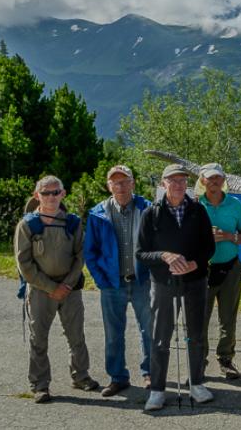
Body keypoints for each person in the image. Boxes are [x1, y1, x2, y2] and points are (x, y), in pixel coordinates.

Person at [137, 163, 216, 411]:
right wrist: (164, 256)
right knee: (160, 337)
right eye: (173, 181)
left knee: (196, 335)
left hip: (195, 281)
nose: (179, 185)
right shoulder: (152, 214)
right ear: (163, 184)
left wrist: (194, 263)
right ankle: (158, 389)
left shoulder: (198, 211)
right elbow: (140, 253)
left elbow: (209, 247)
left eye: (182, 181)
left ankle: (196, 383)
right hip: (164, 283)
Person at [14, 175, 99, 403]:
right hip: (41, 289)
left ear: (63, 194)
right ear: (36, 195)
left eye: (55, 192)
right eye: (45, 193)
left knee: (76, 335)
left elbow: (80, 256)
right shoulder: (27, 225)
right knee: (38, 339)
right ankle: (40, 385)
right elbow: (24, 264)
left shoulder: (72, 222)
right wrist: (51, 287)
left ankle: (81, 376)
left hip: (70, 288)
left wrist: (67, 284)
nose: (51, 197)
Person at [83, 164, 153, 397]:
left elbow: (158, 243)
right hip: (112, 284)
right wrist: (101, 280)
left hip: (142, 281)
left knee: (149, 331)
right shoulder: (97, 213)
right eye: (115, 182)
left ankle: (151, 373)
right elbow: (90, 252)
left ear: (133, 183)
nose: (120, 186)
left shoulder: (148, 209)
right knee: (113, 334)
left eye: (125, 181)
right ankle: (117, 377)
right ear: (109, 186)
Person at [198, 163, 241, 381]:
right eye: (210, 178)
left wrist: (230, 237)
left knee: (228, 317)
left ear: (223, 180)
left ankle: (226, 359)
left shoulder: (235, 204)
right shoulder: (195, 205)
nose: (214, 182)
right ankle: (199, 361)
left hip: (230, 266)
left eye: (218, 178)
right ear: (202, 181)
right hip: (203, 269)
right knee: (200, 318)